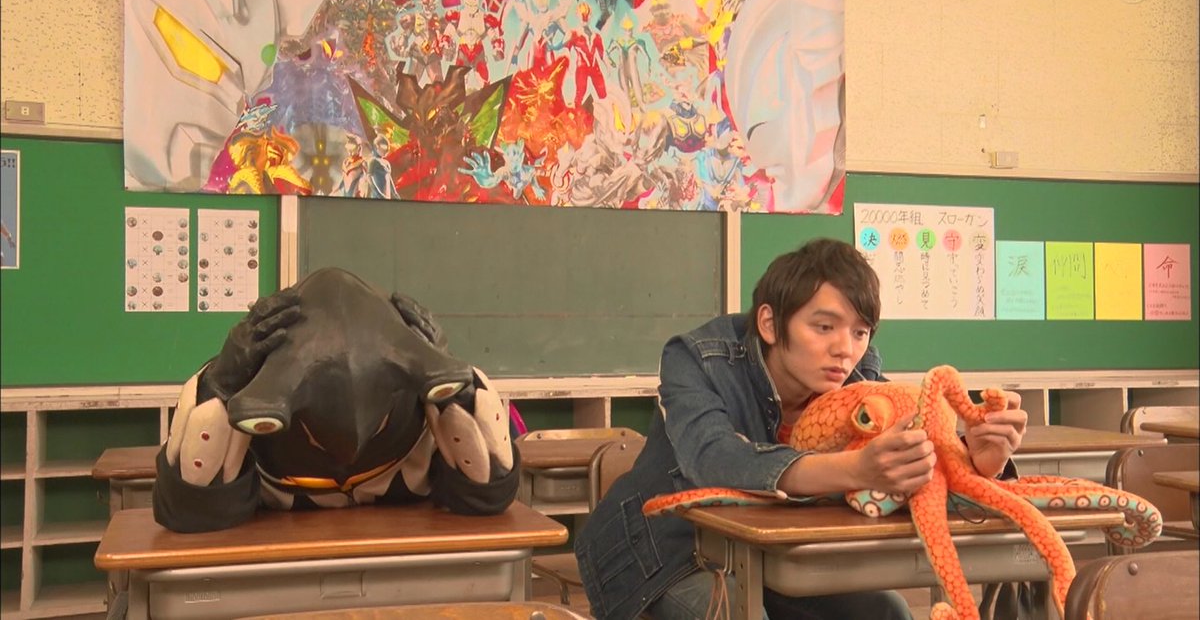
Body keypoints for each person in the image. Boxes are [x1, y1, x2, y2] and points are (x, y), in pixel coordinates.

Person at [574, 238, 1027, 620]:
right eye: (824, 327)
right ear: (770, 324)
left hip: (778, 559)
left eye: (860, 332)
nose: (844, 350)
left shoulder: (860, 378)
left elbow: (915, 452)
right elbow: (714, 459)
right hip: (664, 557)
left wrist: (976, 458)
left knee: (887, 611)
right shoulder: (697, 358)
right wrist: (856, 469)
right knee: (738, 612)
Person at [152, 267, 520, 533]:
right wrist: (221, 383)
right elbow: (189, 512)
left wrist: (458, 394)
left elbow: (487, 496)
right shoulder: (248, 401)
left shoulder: (422, 402)